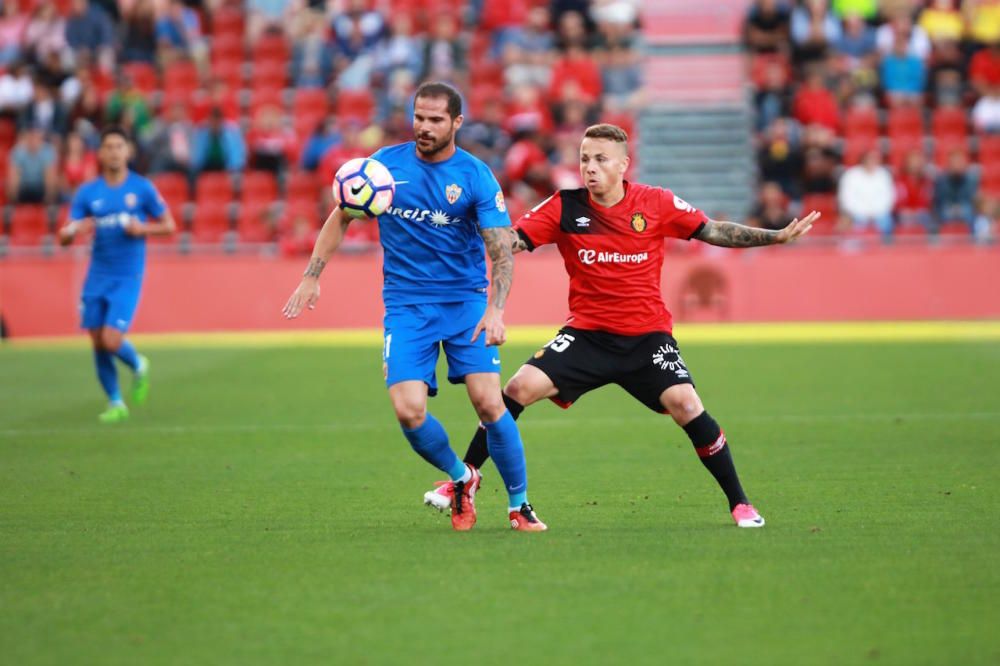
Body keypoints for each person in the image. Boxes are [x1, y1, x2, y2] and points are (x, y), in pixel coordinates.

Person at [424, 123, 818, 528]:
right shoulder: (564, 206)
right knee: (516, 389)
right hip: (587, 336)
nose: (589, 168)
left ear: (623, 165)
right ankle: (464, 480)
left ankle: (740, 503)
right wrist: (472, 228)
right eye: (584, 159)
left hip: (647, 339)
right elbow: (512, 241)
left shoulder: (656, 202)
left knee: (686, 405)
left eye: (600, 159)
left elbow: (713, 230)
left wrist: (774, 236)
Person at [282, 82, 546, 532]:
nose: (424, 127)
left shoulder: (476, 176)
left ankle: (519, 505)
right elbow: (341, 215)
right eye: (419, 117)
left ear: (456, 122)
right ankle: (462, 477)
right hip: (407, 306)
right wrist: (312, 275)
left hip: (465, 302)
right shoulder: (382, 167)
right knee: (408, 411)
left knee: (489, 403)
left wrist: (496, 310)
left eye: (435, 120)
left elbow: (501, 251)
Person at [57, 126, 176, 423]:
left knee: (111, 340)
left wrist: (142, 229)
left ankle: (138, 364)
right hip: (97, 275)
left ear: (128, 151)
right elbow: (65, 235)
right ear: (100, 153)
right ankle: (115, 402)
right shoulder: (88, 192)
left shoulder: (142, 188)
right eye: (108, 147)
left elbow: (169, 226)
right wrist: (72, 231)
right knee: (97, 341)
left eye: (118, 146)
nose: (113, 152)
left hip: (127, 276)